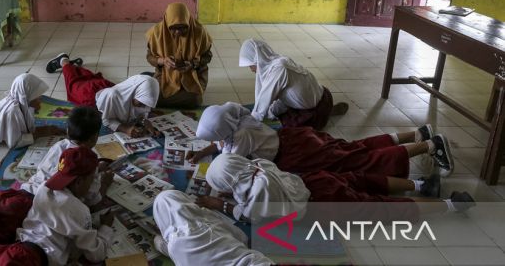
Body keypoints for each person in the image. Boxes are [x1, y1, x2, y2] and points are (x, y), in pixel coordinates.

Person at [189, 102, 455, 177]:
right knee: (353, 148)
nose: (217, 141)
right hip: (296, 138)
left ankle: (431, 145)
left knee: (361, 161)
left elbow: (226, 166)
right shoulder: (234, 118)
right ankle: (418, 134)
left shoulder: (241, 138)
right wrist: (203, 152)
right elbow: (222, 143)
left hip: (297, 155)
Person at [199, 154, 474, 225]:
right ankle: (423, 184)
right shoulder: (258, 166)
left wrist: (221, 205)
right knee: (364, 179)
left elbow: (252, 215)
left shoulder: (259, 194)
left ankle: (451, 205)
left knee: (380, 207)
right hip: (318, 182)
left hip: (322, 208)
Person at [17, 147, 114, 266]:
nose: (93, 183)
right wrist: (106, 228)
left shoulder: (45, 187)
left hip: (22, 243)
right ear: (79, 182)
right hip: (46, 259)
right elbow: (95, 254)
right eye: (92, 179)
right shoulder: (77, 210)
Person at [239, 38, 348, 128]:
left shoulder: (279, 70)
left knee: (287, 129)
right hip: (323, 95)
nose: (251, 70)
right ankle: (328, 112)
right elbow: (283, 97)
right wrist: (271, 112)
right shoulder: (277, 62)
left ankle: (327, 114)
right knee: (275, 112)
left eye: (250, 65)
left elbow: (261, 108)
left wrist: (245, 126)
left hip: (313, 111)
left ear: (258, 59)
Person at [46, 54, 161, 137]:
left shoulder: (137, 95)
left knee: (92, 78)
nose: (143, 106)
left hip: (106, 88)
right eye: (141, 103)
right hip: (90, 97)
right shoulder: (114, 96)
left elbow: (143, 112)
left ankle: (77, 67)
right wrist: (125, 129)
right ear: (135, 92)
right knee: (73, 84)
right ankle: (64, 61)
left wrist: (146, 122)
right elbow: (107, 119)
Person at [152, 190, 272, 266]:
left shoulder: (174, 246)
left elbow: (177, 253)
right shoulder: (210, 223)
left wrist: (160, 239)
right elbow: (243, 239)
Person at [21, 107, 113, 205]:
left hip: (29, 190)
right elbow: (93, 199)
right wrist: (105, 183)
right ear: (94, 137)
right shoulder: (88, 159)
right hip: (51, 205)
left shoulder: (59, 145)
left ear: (68, 131)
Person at [146, 2, 213, 108]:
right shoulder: (157, 33)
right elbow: (149, 57)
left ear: (189, 22)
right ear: (167, 23)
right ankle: (154, 82)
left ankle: (150, 79)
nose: (178, 32)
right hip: (166, 74)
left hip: (194, 74)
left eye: (183, 27)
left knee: (195, 100)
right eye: (173, 28)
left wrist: (192, 64)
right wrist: (163, 61)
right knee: (150, 97)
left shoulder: (199, 32)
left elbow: (208, 56)